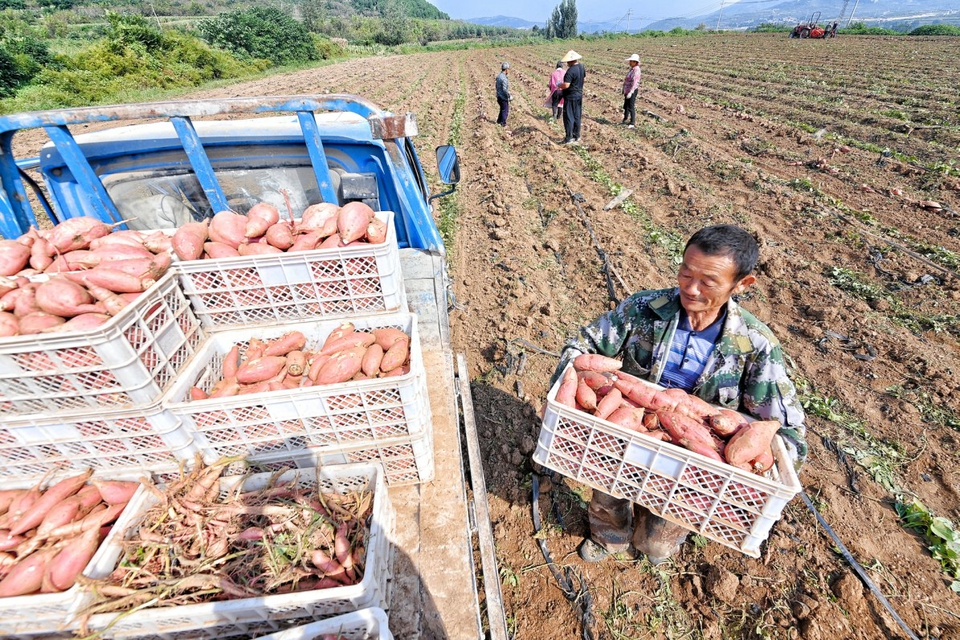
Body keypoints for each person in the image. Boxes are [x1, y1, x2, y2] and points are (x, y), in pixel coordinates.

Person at [550, 224, 807, 564]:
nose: (692, 288)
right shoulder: (644, 309)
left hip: (696, 462)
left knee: (661, 532)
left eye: (708, 281)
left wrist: (750, 461)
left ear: (742, 284)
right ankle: (609, 537)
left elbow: (787, 431)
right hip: (623, 433)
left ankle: (654, 545)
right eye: (686, 273)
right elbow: (581, 348)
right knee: (608, 495)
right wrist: (570, 390)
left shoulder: (755, 345)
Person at [558, 50, 585, 145]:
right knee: (577, 115)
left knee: (569, 116)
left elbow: (566, 85)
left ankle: (568, 137)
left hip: (570, 96)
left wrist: (559, 85)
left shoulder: (570, 71)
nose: (567, 63)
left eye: (567, 62)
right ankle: (576, 135)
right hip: (579, 94)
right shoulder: (582, 67)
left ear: (570, 61)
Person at [622, 54, 641, 128]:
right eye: (630, 61)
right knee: (626, 106)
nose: (629, 62)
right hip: (627, 90)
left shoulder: (636, 70)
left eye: (631, 61)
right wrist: (624, 88)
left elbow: (635, 82)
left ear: (635, 62)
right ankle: (625, 119)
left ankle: (632, 123)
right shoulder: (632, 69)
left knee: (631, 106)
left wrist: (631, 92)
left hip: (632, 90)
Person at [495, 62, 512, 128]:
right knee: (505, 110)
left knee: (502, 109)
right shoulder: (504, 78)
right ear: (506, 69)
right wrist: (509, 96)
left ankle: (499, 121)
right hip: (503, 97)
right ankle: (503, 123)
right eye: (508, 69)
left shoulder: (499, 76)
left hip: (499, 96)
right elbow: (504, 89)